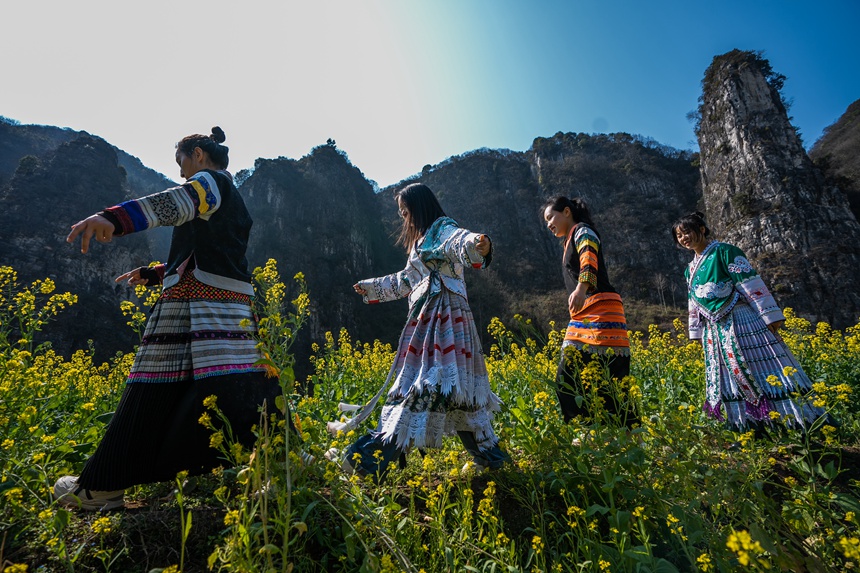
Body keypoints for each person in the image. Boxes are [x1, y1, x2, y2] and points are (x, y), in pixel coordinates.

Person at [55, 127, 286, 510]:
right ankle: (282, 466)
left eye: (181, 162)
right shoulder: (233, 198)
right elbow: (208, 251)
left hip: (196, 302)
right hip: (229, 304)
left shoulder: (207, 183)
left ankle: (103, 485)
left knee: (155, 381)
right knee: (242, 385)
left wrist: (115, 218)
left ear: (197, 154)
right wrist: (154, 273)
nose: (181, 173)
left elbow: (177, 201)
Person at [326, 183, 509, 480]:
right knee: (455, 391)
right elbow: (405, 281)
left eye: (405, 211)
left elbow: (457, 240)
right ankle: (491, 459)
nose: (404, 217)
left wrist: (478, 243)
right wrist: (372, 287)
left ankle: (366, 459)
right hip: (428, 318)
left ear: (419, 207)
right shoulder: (419, 245)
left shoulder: (441, 228)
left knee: (424, 387)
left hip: (445, 314)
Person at [672, 212, 827, 432]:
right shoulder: (690, 269)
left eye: (687, 231)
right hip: (714, 329)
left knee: (761, 366)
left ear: (702, 229)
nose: (684, 238)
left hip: (741, 321)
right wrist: (695, 332)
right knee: (727, 374)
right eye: (679, 235)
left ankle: (792, 420)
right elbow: (693, 302)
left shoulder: (726, 252)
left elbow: (749, 282)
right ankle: (745, 423)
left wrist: (769, 316)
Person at [542, 196, 639, 431]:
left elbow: (588, 258)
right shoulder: (568, 241)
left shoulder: (582, 231)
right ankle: (591, 429)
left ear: (566, 211)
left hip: (602, 311)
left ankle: (627, 435)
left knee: (610, 378)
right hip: (585, 315)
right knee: (573, 378)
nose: (548, 224)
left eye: (550, 217)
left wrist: (581, 288)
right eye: (546, 221)